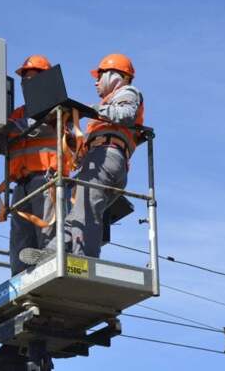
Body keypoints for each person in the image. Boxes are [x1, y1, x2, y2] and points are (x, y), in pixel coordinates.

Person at [0, 54, 68, 371]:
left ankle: (51, 273)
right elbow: (11, 132)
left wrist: (12, 125)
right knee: (19, 242)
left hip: (46, 177)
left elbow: (41, 126)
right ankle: (22, 287)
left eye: (33, 76)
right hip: (21, 183)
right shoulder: (20, 112)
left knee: (47, 233)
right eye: (24, 77)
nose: (27, 81)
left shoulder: (57, 107)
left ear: (45, 77)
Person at [20, 53, 144, 263]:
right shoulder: (108, 106)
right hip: (104, 160)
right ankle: (52, 252)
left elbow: (126, 115)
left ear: (116, 75)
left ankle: (85, 261)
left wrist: (91, 110)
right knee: (78, 213)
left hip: (107, 158)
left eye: (99, 75)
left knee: (85, 211)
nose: (96, 82)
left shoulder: (127, 92)